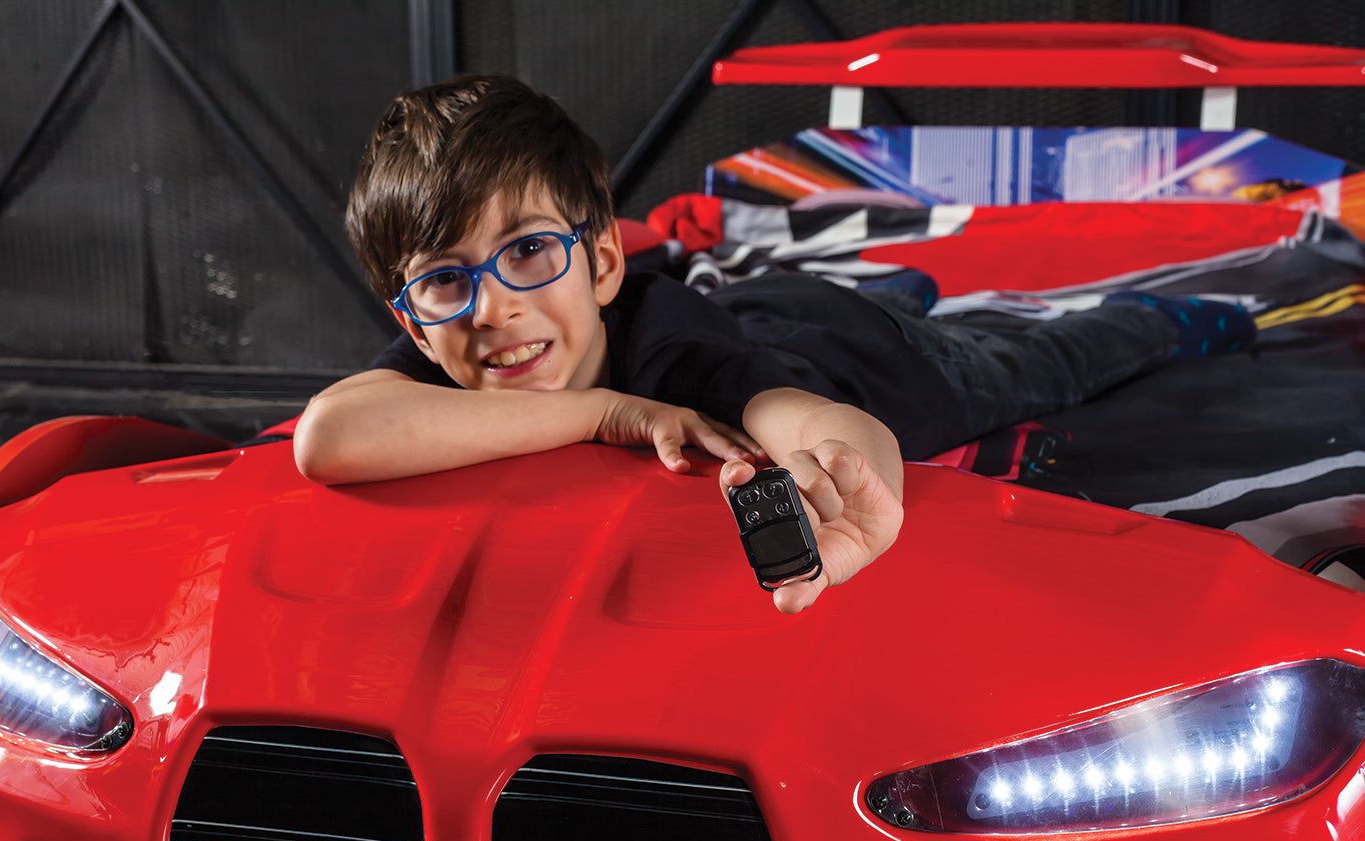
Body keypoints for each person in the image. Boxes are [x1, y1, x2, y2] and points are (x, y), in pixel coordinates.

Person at [293, 74, 1254, 614]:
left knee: (1030, 358)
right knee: (841, 298)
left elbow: (806, 417)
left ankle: (1172, 315)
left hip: (869, 353)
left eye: (529, 252)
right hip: (760, 307)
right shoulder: (459, 348)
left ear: (604, 263)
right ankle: (900, 284)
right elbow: (328, 435)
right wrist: (606, 413)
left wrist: (851, 475)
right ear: (411, 319)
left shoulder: (679, 356)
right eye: (447, 278)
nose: (494, 309)